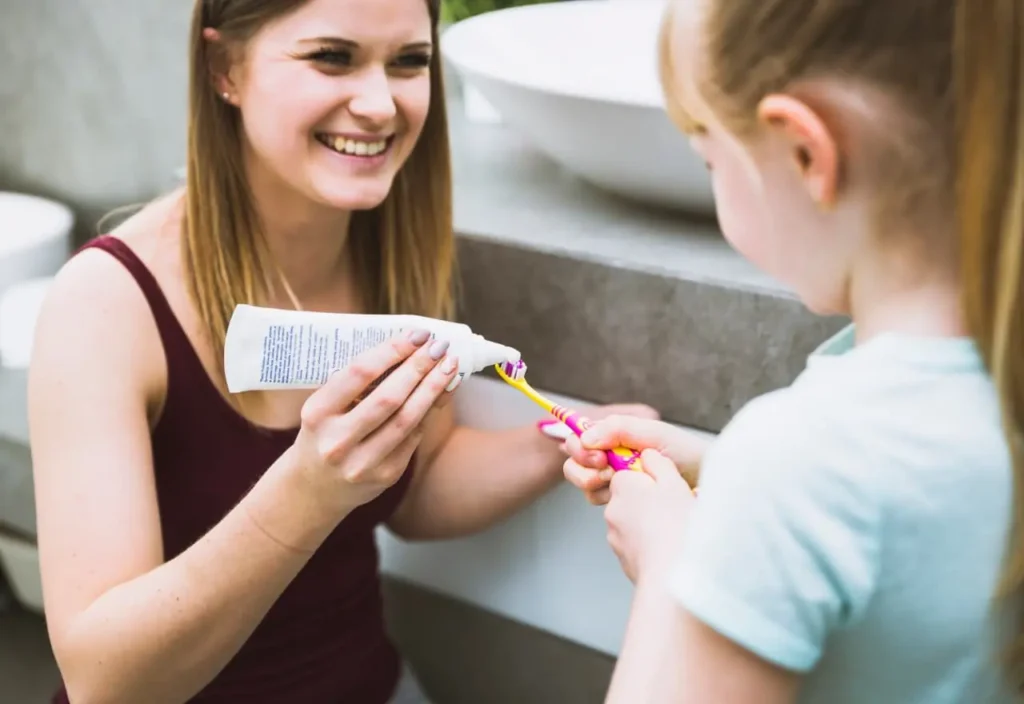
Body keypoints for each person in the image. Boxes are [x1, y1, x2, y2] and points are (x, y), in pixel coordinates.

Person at [27, 1, 655, 702]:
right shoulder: (107, 305)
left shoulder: (384, 247)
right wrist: (307, 495)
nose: (381, 104)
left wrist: (563, 441)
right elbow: (105, 684)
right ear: (223, 68)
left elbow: (418, 488)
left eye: (409, 61)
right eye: (332, 57)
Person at [564, 0, 1022, 702]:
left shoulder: (797, 461)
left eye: (710, 159)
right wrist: (723, 471)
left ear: (807, 154)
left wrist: (670, 564)